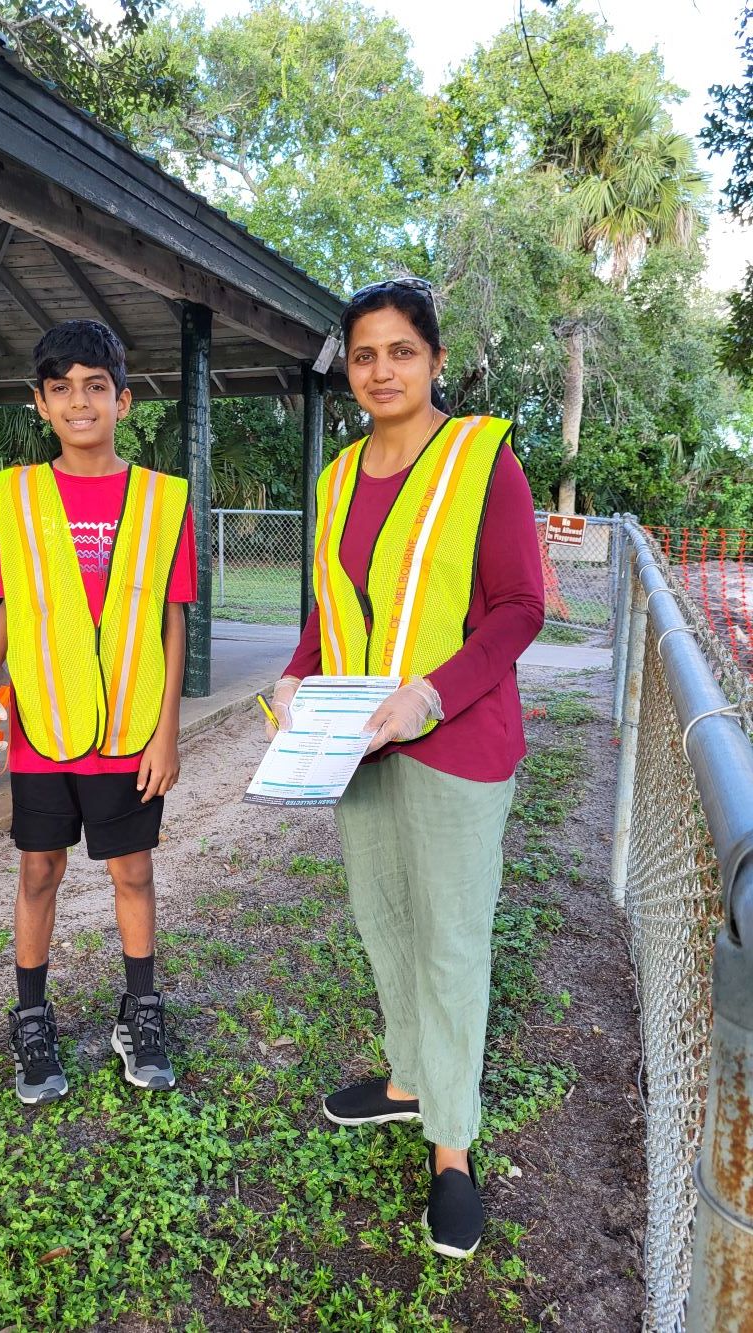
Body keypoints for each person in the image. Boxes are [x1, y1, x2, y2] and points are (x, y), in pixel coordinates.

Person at [268, 277, 544, 1258]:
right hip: (357, 743)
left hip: (455, 743)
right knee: (384, 924)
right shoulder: (338, 475)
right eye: (363, 354)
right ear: (348, 369)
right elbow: (328, 604)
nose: (381, 369)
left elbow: (518, 607)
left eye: (400, 351)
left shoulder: (480, 459)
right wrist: (300, 674)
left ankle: (451, 1151)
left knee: (452, 946)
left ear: (433, 360)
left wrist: (426, 693)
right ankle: (405, 1079)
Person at [0, 319, 196, 1106]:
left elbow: (172, 618)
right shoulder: (20, 496)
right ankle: (31, 1015)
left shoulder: (164, 501)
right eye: (61, 387)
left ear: (123, 400)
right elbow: (14, 603)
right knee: (39, 871)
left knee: (132, 870)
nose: (79, 400)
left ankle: (142, 1010)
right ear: (39, 403)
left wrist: (168, 730)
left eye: (96, 385)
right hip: (44, 727)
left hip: (131, 728)